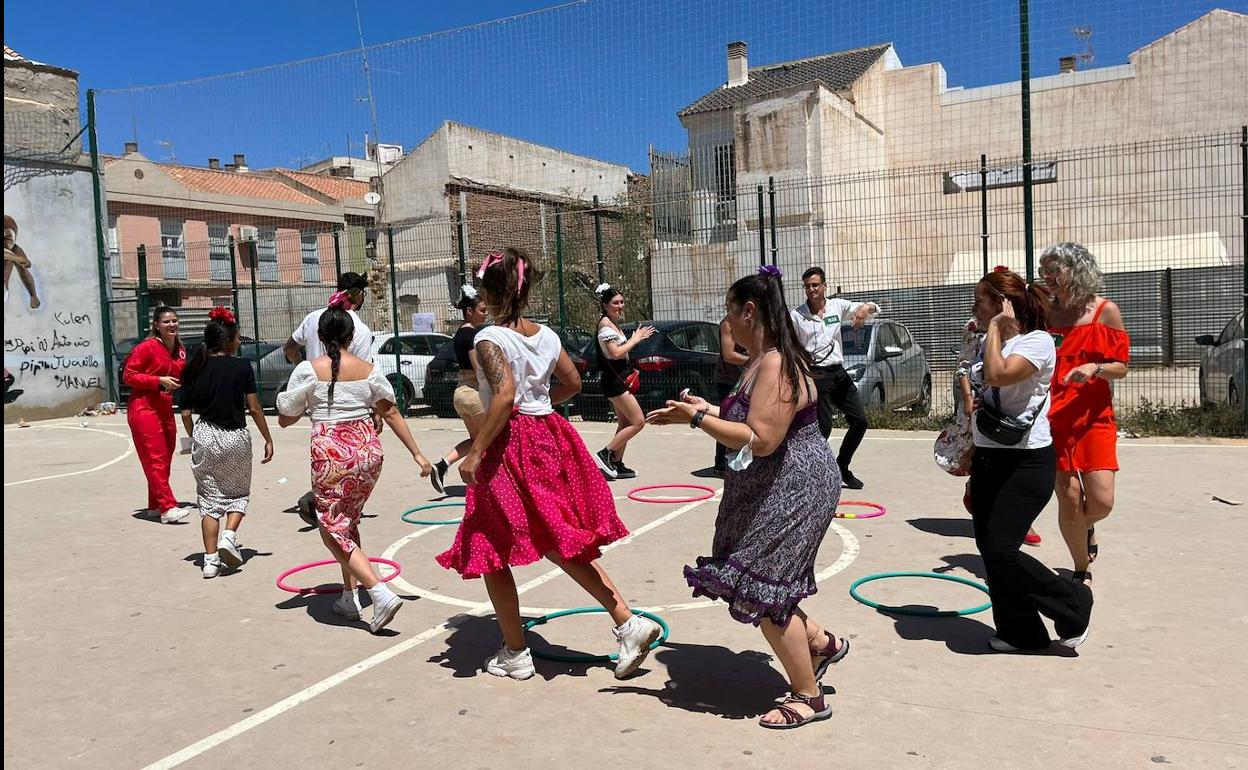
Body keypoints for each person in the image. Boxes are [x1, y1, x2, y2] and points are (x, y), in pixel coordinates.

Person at [436, 249, 661, 681]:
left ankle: (517, 653)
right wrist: (540, 408)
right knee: (561, 538)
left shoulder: (488, 339)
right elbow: (572, 382)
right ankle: (628, 623)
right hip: (548, 436)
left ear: (490, 291)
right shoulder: (546, 335)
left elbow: (502, 398)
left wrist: (478, 450)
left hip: (509, 443)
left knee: (490, 543)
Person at [647, 265, 849, 730]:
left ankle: (809, 697)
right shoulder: (761, 360)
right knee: (766, 576)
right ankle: (821, 644)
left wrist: (696, 422)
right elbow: (747, 416)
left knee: (763, 584)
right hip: (774, 484)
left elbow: (761, 438)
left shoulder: (777, 362)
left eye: (729, 312)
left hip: (795, 485)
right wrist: (702, 410)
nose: (727, 322)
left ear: (750, 311)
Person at [277, 292, 433, 633]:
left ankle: (378, 592)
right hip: (367, 452)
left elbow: (285, 417)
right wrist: (418, 454)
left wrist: (307, 406)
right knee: (347, 522)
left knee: (331, 529)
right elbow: (390, 412)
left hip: (333, 455)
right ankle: (349, 597)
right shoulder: (369, 369)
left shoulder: (308, 369)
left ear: (319, 337)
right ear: (351, 337)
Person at [968, 267, 1092, 653]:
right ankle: (1020, 631)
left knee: (1003, 549)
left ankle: (1073, 603)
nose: (974, 307)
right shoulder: (990, 342)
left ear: (1002, 305)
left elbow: (998, 375)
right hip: (988, 458)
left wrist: (994, 329)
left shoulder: (1036, 343)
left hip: (1026, 463)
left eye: (980, 301)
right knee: (989, 550)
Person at [1041, 243, 1130, 583]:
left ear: (1076, 269)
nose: (1047, 278)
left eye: (1054, 270)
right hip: (1051, 418)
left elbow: (1120, 367)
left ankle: (1087, 524)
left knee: (1101, 501)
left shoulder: (1105, 311)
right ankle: (1081, 568)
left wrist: (1095, 368)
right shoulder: (1045, 314)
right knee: (1069, 497)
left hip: (1093, 418)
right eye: (1043, 271)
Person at [179, 306, 275, 578]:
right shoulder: (242, 367)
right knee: (237, 494)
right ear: (229, 341)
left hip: (206, 435)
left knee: (209, 501)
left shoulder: (193, 368)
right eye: (238, 338)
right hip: (235, 438)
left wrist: (194, 437)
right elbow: (255, 408)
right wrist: (268, 438)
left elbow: (186, 414)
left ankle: (210, 561)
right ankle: (229, 536)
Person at [284, 272, 376, 527]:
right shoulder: (359, 327)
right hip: (348, 405)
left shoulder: (313, 318)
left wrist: (303, 371)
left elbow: (288, 348)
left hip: (317, 404)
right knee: (354, 456)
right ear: (358, 295)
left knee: (324, 454)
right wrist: (375, 410)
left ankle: (323, 500)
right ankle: (328, 504)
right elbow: (365, 371)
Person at [952, 318, 1043, 546]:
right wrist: (967, 397)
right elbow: (963, 364)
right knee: (988, 454)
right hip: (981, 402)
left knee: (1016, 459)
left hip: (1016, 404)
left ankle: (1018, 520)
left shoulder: (1026, 327)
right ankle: (987, 500)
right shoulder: (974, 327)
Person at [790, 267, 879, 489]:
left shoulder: (836, 307)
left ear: (824, 286)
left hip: (839, 373)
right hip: (816, 374)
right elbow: (790, 345)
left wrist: (864, 310)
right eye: (808, 286)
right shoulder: (797, 316)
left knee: (860, 421)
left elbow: (874, 308)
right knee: (824, 428)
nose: (811, 290)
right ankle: (815, 474)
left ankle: (842, 465)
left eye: (815, 285)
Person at [123, 306, 189, 523]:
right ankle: (168, 507)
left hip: (165, 405)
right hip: (143, 407)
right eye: (167, 322)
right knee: (155, 456)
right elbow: (129, 375)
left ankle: (155, 503)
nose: (172, 325)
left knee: (167, 452)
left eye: (174, 321)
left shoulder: (180, 349)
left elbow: (182, 374)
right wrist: (157, 380)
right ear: (157, 326)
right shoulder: (147, 348)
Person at [590, 283, 656, 480]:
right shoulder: (605, 326)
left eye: (621, 302)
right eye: (615, 303)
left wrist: (634, 338)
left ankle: (617, 463)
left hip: (620, 379)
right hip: (614, 381)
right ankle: (605, 453)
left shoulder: (613, 324)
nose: (620, 306)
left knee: (625, 422)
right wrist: (636, 338)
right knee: (638, 421)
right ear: (604, 305)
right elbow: (615, 352)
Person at [430, 286, 488, 494]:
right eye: (481, 310)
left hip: (461, 393)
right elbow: (477, 367)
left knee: (476, 441)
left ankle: (442, 465)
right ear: (470, 311)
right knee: (489, 441)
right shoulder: (471, 334)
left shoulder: (460, 333)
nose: (485, 313)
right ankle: (485, 486)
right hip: (474, 393)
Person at [711, 315, 749, 476]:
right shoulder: (727, 323)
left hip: (744, 379)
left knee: (744, 421)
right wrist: (755, 360)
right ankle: (720, 464)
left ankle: (741, 460)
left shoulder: (753, 321)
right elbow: (729, 354)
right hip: (727, 380)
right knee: (726, 419)